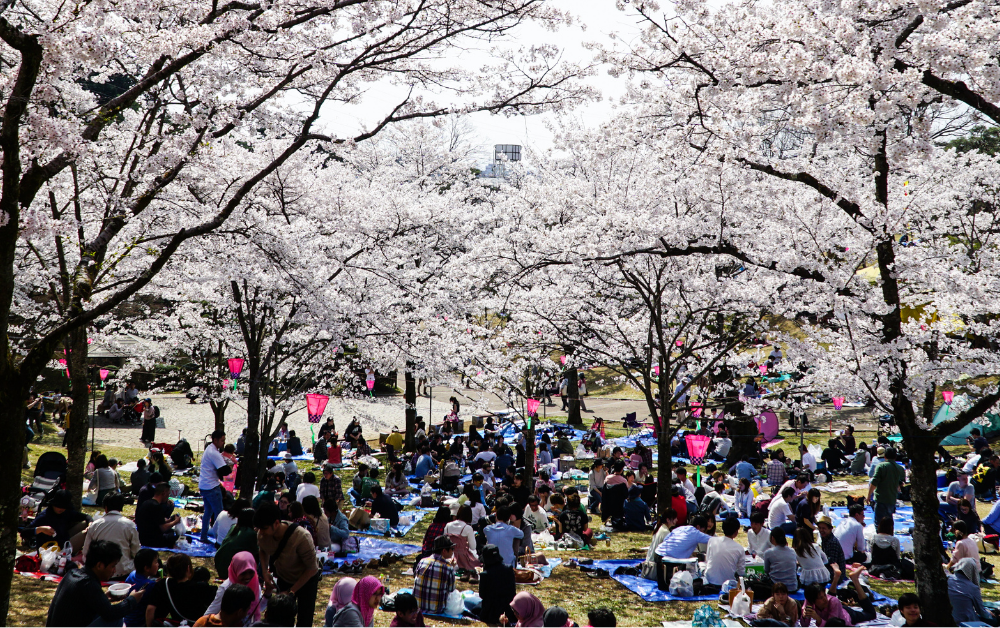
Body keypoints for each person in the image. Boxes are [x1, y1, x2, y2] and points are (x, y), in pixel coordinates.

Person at [45, 539, 143, 626]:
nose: (114, 570)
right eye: (112, 566)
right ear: (99, 565)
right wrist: (132, 600)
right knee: (116, 620)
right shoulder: (87, 583)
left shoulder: (72, 573)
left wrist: (104, 598)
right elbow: (111, 614)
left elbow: (83, 604)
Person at [255, 501, 320, 627]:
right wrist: (264, 572)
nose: (261, 532)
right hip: (284, 577)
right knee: (281, 619)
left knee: (304, 620)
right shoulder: (263, 534)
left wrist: (291, 592)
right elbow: (263, 550)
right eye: (259, 529)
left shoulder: (302, 537)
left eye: (264, 528)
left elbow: (312, 569)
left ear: (276, 523)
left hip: (306, 581)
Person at [144, 554, 217, 626]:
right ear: (188, 568)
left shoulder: (164, 584)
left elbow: (150, 609)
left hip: (176, 623)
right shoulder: (202, 588)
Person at [81, 492, 140, 578]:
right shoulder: (130, 525)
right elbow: (136, 552)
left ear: (105, 508)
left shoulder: (95, 525)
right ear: (121, 507)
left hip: (99, 571)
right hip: (124, 571)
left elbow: (86, 552)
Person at [802, 566, 877, 626]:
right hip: (836, 609)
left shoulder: (833, 601)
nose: (825, 599)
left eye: (824, 595)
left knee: (871, 614)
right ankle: (836, 577)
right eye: (821, 598)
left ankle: (855, 580)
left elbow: (831, 625)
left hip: (847, 615)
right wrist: (804, 616)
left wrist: (818, 618)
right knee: (831, 600)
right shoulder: (809, 601)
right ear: (813, 601)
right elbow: (804, 625)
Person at [23, 489, 92, 552]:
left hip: (64, 539)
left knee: (87, 525)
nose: (61, 509)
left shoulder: (66, 512)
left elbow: (86, 516)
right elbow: (24, 532)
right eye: (58, 506)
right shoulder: (44, 516)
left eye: (64, 507)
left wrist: (90, 524)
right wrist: (40, 529)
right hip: (53, 549)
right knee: (86, 533)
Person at [203, 551, 264, 624]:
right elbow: (211, 611)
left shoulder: (254, 584)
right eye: (243, 573)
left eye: (251, 572)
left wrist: (268, 594)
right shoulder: (226, 588)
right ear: (235, 570)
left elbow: (259, 607)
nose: (247, 577)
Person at [199, 430, 231, 545]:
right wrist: (230, 465)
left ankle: (203, 536)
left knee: (208, 512)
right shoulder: (214, 453)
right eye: (222, 440)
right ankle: (219, 540)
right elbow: (225, 471)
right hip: (211, 486)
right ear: (215, 440)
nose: (223, 443)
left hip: (204, 485)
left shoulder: (209, 449)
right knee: (220, 514)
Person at [413, 535, 456, 615]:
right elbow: (451, 589)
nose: (453, 551)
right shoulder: (448, 567)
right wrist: (452, 568)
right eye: (452, 549)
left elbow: (416, 576)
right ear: (444, 551)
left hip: (417, 605)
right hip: (437, 609)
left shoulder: (422, 561)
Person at [948, 557, 995, 626]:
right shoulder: (973, 588)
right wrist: (990, 614)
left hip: (948, 618)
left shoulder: (947, 579)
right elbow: (981, 612)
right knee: (994, 620)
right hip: (966, 621)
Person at [478, 544, 516, 625]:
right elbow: (512, 591)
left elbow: (482, 595)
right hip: (509, 611)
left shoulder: (485, 575)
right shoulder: (509, 569)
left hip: (491, 614)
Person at [136, 482, 180, 548]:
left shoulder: (146, 503)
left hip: (142, 537)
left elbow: (156, 521)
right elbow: (163, 528)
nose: (168, 497)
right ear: (164, 493)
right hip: (153, 541)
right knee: (184, 538)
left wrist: (170, 520)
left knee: (170, 532)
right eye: (168, 494)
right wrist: (175, 522)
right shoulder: (156, 507)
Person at [704, 517, 745, 586]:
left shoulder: (712, 540)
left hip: (709, 581)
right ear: (736, 532)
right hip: (727, 585)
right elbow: (741, 572)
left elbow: (707, 560)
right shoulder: (739, 548)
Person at [868, 447, 905, 524]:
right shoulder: (900, 468)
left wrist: (869, 496)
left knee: (879, 523)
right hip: (892, 499)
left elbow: (874, 482)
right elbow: (901, 483)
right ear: (895, 457)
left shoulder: (881, 466)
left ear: (885, 456)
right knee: (888, 522)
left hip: (880, 498)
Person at [763, 528, 798, 592]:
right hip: (793, 587)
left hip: (777, 588)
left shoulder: (769, 552)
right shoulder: (792, 551)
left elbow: (766, 570)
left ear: (772, 538)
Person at [815, 515, 845, 590]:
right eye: (820, 528)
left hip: (836, 574)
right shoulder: (825, 538)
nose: (821, 530)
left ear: (830, 529)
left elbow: (832, 562)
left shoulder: (832, 542)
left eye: (824, 528)